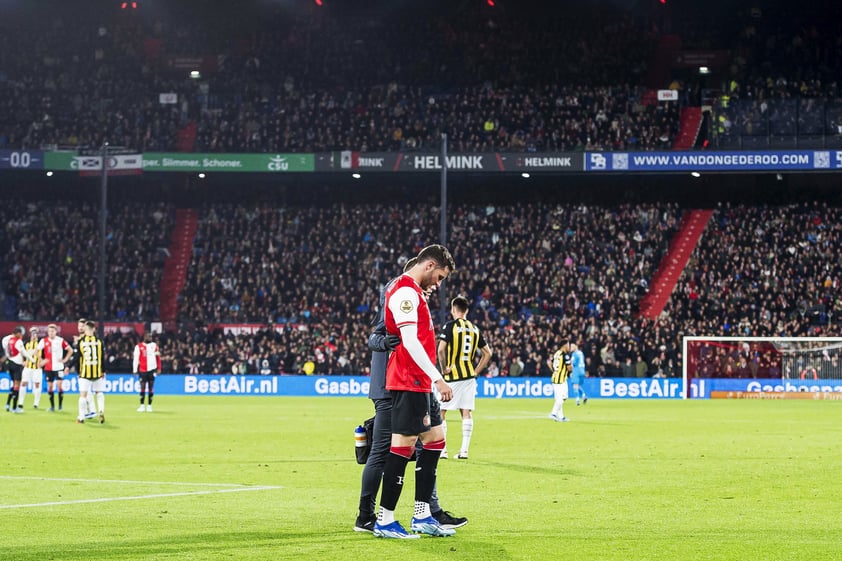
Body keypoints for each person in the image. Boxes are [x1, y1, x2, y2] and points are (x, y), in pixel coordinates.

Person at [355, 257, 467, 534]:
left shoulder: (416, 294)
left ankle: (427, 512)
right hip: (396, 383)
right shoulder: (401, 292)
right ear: (426, 266)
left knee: (433, 441)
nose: (437, 286)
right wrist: (387, 343)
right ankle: (371, 516)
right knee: (387, 449)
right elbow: (379, 337)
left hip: (418, 380)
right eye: (438, 278)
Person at [436, 295, 492, 460]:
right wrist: (476, 370)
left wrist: (444, 368)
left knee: (441, 412)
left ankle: (443, 450)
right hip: (469, 376)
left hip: (453, 376)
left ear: (454, 309)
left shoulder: (450, 326)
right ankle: (464, 451)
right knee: (466, 412)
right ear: (466, 310)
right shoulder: (475, 328)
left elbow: (440, 350)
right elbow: (488, 353)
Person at [38, 324, 73, 412]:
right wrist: (42, 360)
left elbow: (70, 350)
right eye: (49, 331)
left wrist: (65, 359)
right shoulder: (43, 341)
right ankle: (52, 406)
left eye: (52, 331)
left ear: (56, 332)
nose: (51, 333)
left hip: (59, 367)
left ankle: (60, 406)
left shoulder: (60, 340)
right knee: (50, 387)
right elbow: (36, 351)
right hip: (48, 368)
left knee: (59, 385)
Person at [77, 320, 106, 424]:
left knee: (83, 395)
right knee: (99, 393)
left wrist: (78, 372)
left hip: (85, 372)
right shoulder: (99, 341)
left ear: (85, 329)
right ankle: (101, 411)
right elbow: (102, 358)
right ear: (94, 329)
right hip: (97, 372)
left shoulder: (81, 342)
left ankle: (81, 418)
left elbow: (78, 358)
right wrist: (103, 370)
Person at [3, 326, 35, 413]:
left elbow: (6, 349)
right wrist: (32, 360)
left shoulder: (6, 339)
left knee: (14, 385)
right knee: (17, 385)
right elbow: (24, 352)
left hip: (9, 363)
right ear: (17, 333)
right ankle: (14, 408)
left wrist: (9, 357)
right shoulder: (18, 341)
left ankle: (8, 404)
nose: (21, 336)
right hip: (17, 365)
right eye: (21, 334)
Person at [133, 333, 160, 412]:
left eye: (151, 336)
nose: (151, 338)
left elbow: (158, 358)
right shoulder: (138, 346)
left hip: (152, 370)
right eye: (149, 336)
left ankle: (149, 405)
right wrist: (135, 370)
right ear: (144, 337)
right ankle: (141, 405)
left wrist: (159, 368)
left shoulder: (154, 346)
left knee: (151, 387)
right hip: (142, 370)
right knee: (142, 387)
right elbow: (136, 359)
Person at [18, 327, 43, 410]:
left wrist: (42, 362)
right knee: (23, 383)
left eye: (35, 334)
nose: (34, 336)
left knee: (37, 385)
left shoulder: (41, 344)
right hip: (27, 367)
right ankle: (20, 403)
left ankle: (36, 403)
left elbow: (46, 355)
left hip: (37, 368)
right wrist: (22, 361)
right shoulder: (26, 343)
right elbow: (21, 352)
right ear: (30, 335)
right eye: (32, 334)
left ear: (37, 335)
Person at [549, 338, 572, 422]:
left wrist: (554, 371)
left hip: (557, 378)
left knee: (563, 397)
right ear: (565, 345)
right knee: (561, 398)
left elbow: (550, 363)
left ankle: (561, 417)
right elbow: (569, 368)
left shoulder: (556, 354)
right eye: (568, 345)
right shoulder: (565, 355)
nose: (569, 346)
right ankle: (553, 413)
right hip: (560, 380)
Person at [569, 341, 588, 406]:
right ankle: (584, 395)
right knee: (578, 385)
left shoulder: (574, 354)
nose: (570, 348)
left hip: (576, 370)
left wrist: (571, 372)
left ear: (574, 347)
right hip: (582, 370)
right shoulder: (581, 353)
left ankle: (577, 400)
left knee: (575, 385)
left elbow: (573, 363)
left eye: (571, 347)